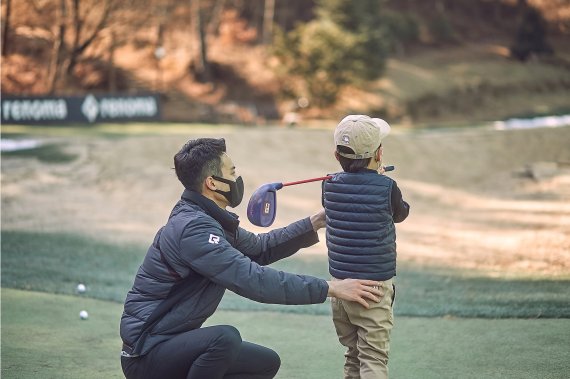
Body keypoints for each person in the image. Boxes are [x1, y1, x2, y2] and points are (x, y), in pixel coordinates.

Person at [119, 137, 383, 379]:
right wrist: (331, 288)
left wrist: (314, 222)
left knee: (265, 363)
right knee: (224, 339)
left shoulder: (208, 218)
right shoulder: (194, 229)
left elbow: (259, 249)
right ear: (212, 183)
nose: (238, 178)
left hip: (171, 343)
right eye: (232, 172)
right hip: (145, 353)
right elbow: (252, 280)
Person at [322, 115, 410, 379]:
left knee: (354, 354)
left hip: (340, 287)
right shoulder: (387, 187)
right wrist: (380, 180)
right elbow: (401, 213)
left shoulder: (328, 184)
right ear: (379, 153)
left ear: (337, 155)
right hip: (372, 290)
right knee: (373, 358)